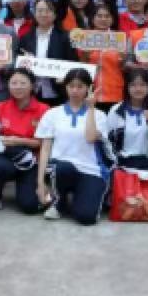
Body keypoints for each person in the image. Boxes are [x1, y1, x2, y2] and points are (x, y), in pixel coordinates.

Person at [34, 68, 112, 225]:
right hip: (62, 169)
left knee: (86, 217)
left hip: (91, 170)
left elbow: (90, 137)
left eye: (80, 86)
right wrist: (40, 183)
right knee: (62, 167)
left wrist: (91, 108)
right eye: (71, 86)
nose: (75, 91)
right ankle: (59, 201)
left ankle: (77, 197)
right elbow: (45, 149)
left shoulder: (100, 115)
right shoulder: (53, 113)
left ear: (89, 88)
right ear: (66, 87)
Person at [0, 67, 50, 213]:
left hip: (32, 160)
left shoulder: (44, 109)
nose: (18, 87)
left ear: (32, 86)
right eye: (14, 83)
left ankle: (44, 191)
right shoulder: (0, 107)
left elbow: (43, 143)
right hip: (6, 157)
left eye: (23, 83)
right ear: (8, 85)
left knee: (30, 207)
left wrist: (19, 141)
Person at [106, 68, 148, 184]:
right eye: (133, 85)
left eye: (142, 85)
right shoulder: (116, 110)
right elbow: (108, 142)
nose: (138, 89)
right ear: (127, 87)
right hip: (124, 162)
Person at [19, 0, 78, 106]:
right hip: (32, 92)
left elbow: (73, 63)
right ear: (34, 13)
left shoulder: (66, 37)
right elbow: (19, 67)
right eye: (40, 10)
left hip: (59, 92)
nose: (43, 14)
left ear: (55, 14)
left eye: (48, 10)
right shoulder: (25, 38)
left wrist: (65, 77)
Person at [77, 1, 125, 112]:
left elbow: (124, 67)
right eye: (99, 16)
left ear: (112, 19)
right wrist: (85, 55)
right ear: (92, 18)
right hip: (89, 92)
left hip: (114, 92)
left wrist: (123, 60)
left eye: (107, 16)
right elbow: (80, 66)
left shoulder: (119, 39)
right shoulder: (84, 38)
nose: (103, 19)